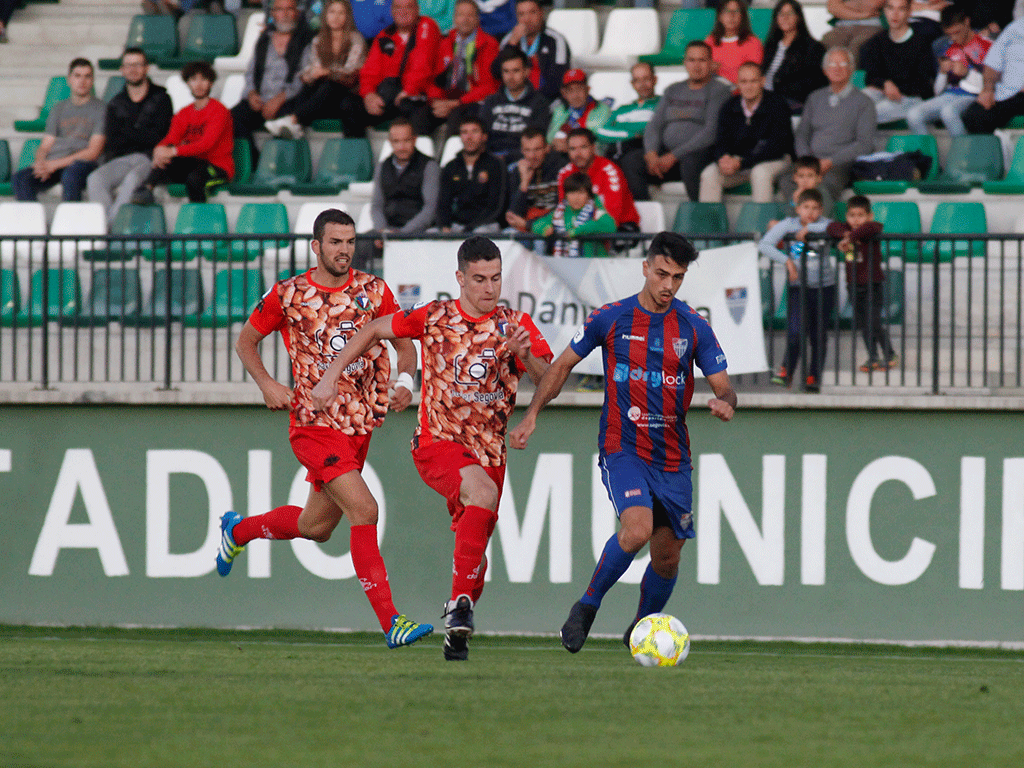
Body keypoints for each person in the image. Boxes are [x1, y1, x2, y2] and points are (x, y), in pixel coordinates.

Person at [311, 235, 553, 661]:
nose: (489, 288)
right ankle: (458, 606)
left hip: (489, 452)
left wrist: (526, 355)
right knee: (482, 495)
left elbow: (547, 376)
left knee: (477, 559)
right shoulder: (435, 317)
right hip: (438, 442)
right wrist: (332, 373)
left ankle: (459, 622)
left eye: (495, 279)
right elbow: (374, 328)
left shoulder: (516, 325)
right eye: (479, 279)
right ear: (460, 278)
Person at [508, 231, 737, 653]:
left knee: (668, 556)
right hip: (623, 447)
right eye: (662, 273)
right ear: (645, 268)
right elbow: (559, 368)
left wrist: (725, 402)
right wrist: (532, 415)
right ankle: (586, 607)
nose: (668, 285)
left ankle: (639, 628)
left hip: (673, 457)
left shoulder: (692, 326)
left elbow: (725, 387)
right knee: (637, 529)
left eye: (678, 277)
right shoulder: (611, 317)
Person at [222, 208, 433, 650]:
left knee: (316, 526)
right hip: (314, 426)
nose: (344, 250)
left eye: (350, 241)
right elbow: (245, 342)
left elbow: (404, 344)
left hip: (359, 425)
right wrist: (267, 385)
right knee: (365, 510)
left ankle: (237, 531)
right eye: (335, 242)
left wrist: (404, 382)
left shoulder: (374, 291)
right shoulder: (289, 293)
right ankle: (391, 621)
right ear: (316, 246)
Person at [622, 41, 731, 203]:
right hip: (667, 157)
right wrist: (651, 154)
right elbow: (654, 125)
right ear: (685, 63)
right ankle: (643, 217)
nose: (696, 65)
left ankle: (702, 218)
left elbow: (710, 132)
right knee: (632, 161)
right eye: (691, 60)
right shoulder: (673, 90)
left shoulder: (719, 90)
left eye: (702, 60)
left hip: (699, 154)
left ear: (711, 63)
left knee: (690, 162)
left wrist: (673, 156)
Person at [760, 188, 835, 393]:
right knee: (795, 332)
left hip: (824, 288)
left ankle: (813, 377)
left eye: (815, 208)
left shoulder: (826, 224)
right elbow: (765, 245)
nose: (810, 212)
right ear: (798, 208)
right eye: (806, 207)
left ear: (820, 209)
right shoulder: (789, 224)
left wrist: (811, 231)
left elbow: (837, 229)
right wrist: (788, 262)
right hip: (798, 287)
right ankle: (787, 371)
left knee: (818, 335)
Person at [85, 49, 173, 225]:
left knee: (132, 180)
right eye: (128, 65)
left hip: (149, 158)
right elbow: (114, 142)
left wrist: (127, 131)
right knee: (94, 179)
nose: (133, 69)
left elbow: (160, 137)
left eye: (138, 64)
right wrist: (140, 133)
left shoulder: (162, 98)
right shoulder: (116, 103)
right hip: (122, 158)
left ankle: (111, 230)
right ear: (122, 70)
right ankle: (106, 226)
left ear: (146, 68)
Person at [130, 61, 234, 205]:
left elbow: (206, 144)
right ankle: (147, 189)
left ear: (210, 82)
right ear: (188, 83)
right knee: (164, 161)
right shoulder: (184, 113)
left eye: (203, 79)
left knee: (195, 179)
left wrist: (173, 151)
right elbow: (171, 138)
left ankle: (199, 220)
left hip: (217, 166)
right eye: (193, 79)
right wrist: (159, 150)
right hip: (193, 162)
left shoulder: (219, 111)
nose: (199, 84)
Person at [781, 47, 876, 203]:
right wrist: (808, 160)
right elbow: (802, 133)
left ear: (851, 69)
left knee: (824, 186)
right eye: (832, 64)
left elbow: (864, 144)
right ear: (825, 70)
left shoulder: (864, 102)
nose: (837, 68)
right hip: (811, 163)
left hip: (839, 165)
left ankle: (819, 227)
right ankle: (796, 223)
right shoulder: (814, 98)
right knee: (786, 181)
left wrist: (831, 161)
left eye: (843, 63)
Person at [263, 0, 369, 139]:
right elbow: (309, 71)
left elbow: (351, 73)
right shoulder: (318, 40)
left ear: (347, 16)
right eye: (332, 12)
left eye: (341, 13)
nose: (335, 17)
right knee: (308, 86)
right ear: (325, 15)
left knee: (330, 85)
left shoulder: (356, 39)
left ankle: (294, 121)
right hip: (324, 98)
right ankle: (293, 126)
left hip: (348, 93)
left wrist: (328, 72)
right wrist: (313, 75)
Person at [699, 61, 794, 203]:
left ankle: (760, 223)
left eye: (753, 81)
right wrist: (724, 159)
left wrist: (741, 163)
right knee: (709, 174)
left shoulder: (778, 104)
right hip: (740, 162)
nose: (748, 86)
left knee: (760, 173)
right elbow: (720, 142)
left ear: (762, 81)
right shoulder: (729, 106)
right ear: (737, 83)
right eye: (743, 81)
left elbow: (776, 148)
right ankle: (710, 224)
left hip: (776, 160)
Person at [13, 58, 105, 202]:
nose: (82, 81)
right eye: (77, 76)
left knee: (71, 175)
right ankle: (35, 223)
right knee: (20, 178)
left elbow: (93, 152)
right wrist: (41, 164)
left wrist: (54, 164)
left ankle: (70, 222)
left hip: (82, 164)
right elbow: (45, 145)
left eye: (87, 76)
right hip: (54, 164)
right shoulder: (58, 108)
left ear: (92, 80)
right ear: (69, 79)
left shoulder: (101, 109)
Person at [231, 0, 314, 155]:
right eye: (280, 10)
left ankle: (277, 164)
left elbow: (304, 77)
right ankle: (253, 161)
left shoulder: (306, 40)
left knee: (285, 123)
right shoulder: (264, 40)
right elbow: (250, 73)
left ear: (297, 12)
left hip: (288, 100)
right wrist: (251, 94)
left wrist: (279, 99)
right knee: (230, 119)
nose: (285, 14)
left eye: (290, 9)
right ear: (273, 13)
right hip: (260, 99)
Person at [826, 195, 899, 373]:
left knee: (873, 322)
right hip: (853, 285)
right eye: (851, 215)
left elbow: (872, 227)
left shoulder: (872, 228)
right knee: (862, 324)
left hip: (872, 284)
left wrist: (849, 238)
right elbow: (831, 227)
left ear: (869, 216)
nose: (856, 219)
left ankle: (890, 354)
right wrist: (846, 235)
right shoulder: (846, 229)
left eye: (860, 215)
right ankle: (873, 356)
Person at [906, 5, 992, 136]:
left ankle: (963, 154)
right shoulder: (947, 48)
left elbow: (992, 85)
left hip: (973, 96)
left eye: (957, 32)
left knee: (948, 112)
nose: (953, 38)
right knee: (913, 115)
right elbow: (938, 91)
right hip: (949, 95)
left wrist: (967, 73)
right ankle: (926, 156)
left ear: (967, 22)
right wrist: (942, 73)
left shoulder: (987, 45)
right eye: (949, 34)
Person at [359, 0, 443, 135]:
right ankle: (357, 154)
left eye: (408, 7)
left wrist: (408, 90)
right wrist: (369, 94)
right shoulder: (384, 35)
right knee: (350, 106)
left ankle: (419, 155)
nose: (403, 12)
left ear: (417, 10)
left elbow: (422, 64)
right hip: (390, 96)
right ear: (391, 11)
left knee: (414, 112)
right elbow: (370, 71)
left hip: (420, 95)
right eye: (398, 8)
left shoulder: (426, 25)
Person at [426, 0, 500, 139]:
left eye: (470, 15)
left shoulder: (489, 44)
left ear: (478, 19)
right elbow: (431, 79)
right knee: (419, 116)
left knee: (458, 118)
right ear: (454, 18)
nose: (465, 20)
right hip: (444, 99)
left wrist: (457, 103)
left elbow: (490, 86)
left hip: (470, 101)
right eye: (460, 15)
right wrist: (436, 100)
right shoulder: (444, 42)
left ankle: (451, 159)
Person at [859, 0, 938, 124]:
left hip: (912, 97)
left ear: (909, 12)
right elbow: (870, 77)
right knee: (851, 104)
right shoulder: (876, 42)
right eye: (890, 8)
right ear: (884, 11)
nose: (894, 14)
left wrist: (895, 88)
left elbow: (923, 83)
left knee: (868, 113)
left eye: (901, 9)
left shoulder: (921, 43)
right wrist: (885, 83)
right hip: (884, 91)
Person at [558, 128, 640, 236]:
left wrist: (582, 229)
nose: (578, 154)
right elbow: (564, 210)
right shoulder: (565, 173)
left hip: (618, 228)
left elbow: (612, 217)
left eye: (583, 147)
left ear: (593, 148)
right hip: (580, 229)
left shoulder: (609, 171)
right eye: (573, 149)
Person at [478, 46, 551, 161]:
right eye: (506, 71)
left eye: (516, 71)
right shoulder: (490, 102)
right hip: (491, 161)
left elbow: (537, 144)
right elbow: (481, 137)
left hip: (524, 160)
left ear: (526, 72)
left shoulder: (540, 103)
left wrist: (506, 158)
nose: (510, 77)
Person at [436, 116, 507, 233]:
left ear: (484, 136)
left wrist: (469, 229)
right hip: (456, 225)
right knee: (430, 234)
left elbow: (497, 206)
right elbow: (443, 203)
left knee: (481, 233)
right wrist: (444, 226)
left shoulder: (496, 165)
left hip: (485, 225)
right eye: (464, 132)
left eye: (474, 131)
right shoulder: (451, 167)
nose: (469, 137)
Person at [369, 118, 440, 235]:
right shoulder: (382, 167)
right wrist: (382, 230)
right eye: (396, 141)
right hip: (388, 230)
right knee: (361, 242)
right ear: (390, 142)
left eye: (406, 141)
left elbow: (430, 209)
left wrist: (403, 233)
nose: (401, 147)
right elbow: (376, 205)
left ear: (414, 139)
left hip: (419, 231)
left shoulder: (429, 166)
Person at [761, 0, 828, 114]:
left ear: (798, 17)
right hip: (766, 99)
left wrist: (774, 84)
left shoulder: (813, 48)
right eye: (781, 14)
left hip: (793, 100)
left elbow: (813, 83)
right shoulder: (770, 46)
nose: (785, 17)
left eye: (790, 13)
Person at [496, 0, 570, 101]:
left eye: (532, 12)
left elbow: (559, 80)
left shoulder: (556, 40)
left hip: (547, 101)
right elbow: (496, 73)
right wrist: (512, 44)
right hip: (512, 100)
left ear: (541, 13)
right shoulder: (509, 40)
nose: (527, 19)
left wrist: (531, 102)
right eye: (521, 14)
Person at [961, 15, 1024, 134]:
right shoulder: (1014, 28)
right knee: (973, 115)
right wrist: (988, 89)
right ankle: (991, 152)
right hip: (1007, 93)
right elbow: (992, 62)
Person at [531, 171, 616, 258]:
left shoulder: (595, 211)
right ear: (566, 195)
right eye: (571, 193)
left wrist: (577, 231)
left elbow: (611, 226)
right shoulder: (560, 213)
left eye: (581, 193)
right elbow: (536, 225)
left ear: (588, 195)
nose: (576, 198)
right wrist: (545, 229)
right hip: (566, 266)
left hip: (593, 267)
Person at [596, 61, 660, 168]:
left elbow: (651, 129)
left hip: (645, 153)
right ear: (632, 84)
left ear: (655, 79)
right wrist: (632, 135)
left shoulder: (663, 104)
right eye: (637, 80)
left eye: (646, 79)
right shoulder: (622, 109)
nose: (642, 84)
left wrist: (620, 127)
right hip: (621, 153)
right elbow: (602, 132)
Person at [505, 126, 564, 233]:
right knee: (508, 234)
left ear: (547, 148)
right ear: (522, 151)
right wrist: (524, 182)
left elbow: (563, 210)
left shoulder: (561, 168)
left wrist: (529, 224)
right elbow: (513, 215)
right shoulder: (518, 171)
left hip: (551, 228)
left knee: (539, 239)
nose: (532, 156)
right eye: (527, 150)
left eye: (537, 149)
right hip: (525, 228)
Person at [546, 69, 611, 155]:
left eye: (579, 89)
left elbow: (598, 142)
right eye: (570, 90)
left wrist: (570, 147)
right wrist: (554, 143)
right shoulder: (560, 110)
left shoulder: (601, 109)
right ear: (564, 93)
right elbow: (550, 138)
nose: (575, 95)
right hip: (561, 157)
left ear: (587, 90)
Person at [705, 0, 764, 85]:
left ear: (742, 16)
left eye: (736, 11)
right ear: (719, 16)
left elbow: (753, 77)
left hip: (742, 94)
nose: (731, 15)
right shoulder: (710, 41)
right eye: (726, 11)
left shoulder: (753, 43)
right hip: (713, 93)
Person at [820, 0, 885, 65]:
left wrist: (844, 6)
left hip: (871, 26)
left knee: (858, 48)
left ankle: (852, 74)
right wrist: (864, 15)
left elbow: (872, 4)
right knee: (829, 42)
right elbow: (833, 7)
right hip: (842, 26)